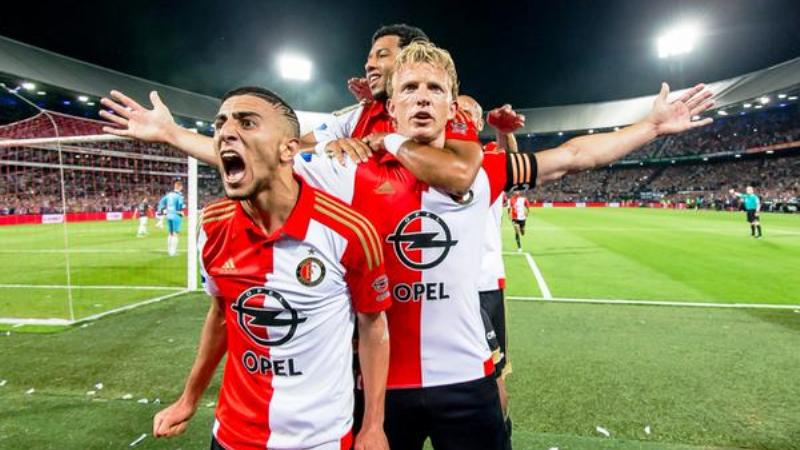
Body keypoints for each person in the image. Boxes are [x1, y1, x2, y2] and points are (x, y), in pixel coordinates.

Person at [100, 39, 715, 450]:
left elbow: (575, 155)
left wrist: (651, 125)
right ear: (389, 105)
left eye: (434, 89)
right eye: (410, 88)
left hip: (466, 382)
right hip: (376, 390)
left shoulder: (484, 170)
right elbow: (263, 159)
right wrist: (171, 135)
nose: (422, 97)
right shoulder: (344, 167)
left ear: (453, 106)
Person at [151, 87, 391, 450]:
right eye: (220, 124)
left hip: (320, 439)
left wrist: (372, 424)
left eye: (247, 123)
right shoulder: (212, 225)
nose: (226, 132)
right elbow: (221, 314)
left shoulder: (349, 231)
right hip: (232, 435)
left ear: (289, 149)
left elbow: (373, 326)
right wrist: (188, 399)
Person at [457, 94, 523, 449]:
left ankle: (500, 435)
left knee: (492, 375)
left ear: (479, 122)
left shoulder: (489, 158)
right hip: (437, 287)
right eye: (456, 108)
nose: (460, 115)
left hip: (483, 283)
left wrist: (504, 131)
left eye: (469, 112)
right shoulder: (428, 155)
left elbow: (514, 164)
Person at [157, 180, 185, 256]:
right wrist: (181, 213)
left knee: (170, 233)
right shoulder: (179, 196)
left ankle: (169, 250)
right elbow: (180, 206)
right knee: (175, 233)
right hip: (176, 215)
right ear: (180, 187)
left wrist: (163, 213)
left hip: (169, 215)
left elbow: (161, 203)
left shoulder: (169, 194)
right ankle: (173, 252)